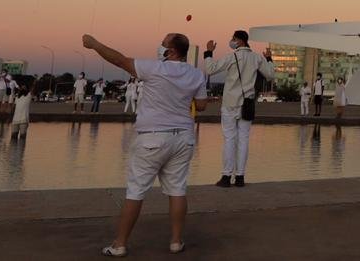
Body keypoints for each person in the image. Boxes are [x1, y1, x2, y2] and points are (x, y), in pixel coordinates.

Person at [84, 31, 207, 257]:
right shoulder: (197, 74)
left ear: (171, 51)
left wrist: (94, 44)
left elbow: (119, 60)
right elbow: (201, 105)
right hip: (183, 138)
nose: (160, 47)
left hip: (153, 137)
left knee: (136, 190)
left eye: (163, 44)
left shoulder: (154, 68)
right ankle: (176, 241)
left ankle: (119, 244)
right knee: (177, 189)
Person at [203, 30, 274, 188]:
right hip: (247, 104)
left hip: (230, 103)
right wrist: (269, 58)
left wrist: (209, 52)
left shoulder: (231, 56)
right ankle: (240, 176)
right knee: (243, 140)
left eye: (233, 38)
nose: (232, 41)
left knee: (229, 139)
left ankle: (226, 176)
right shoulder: (257, 58)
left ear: (240, 41)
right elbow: (270, 75)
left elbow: (210, 69)